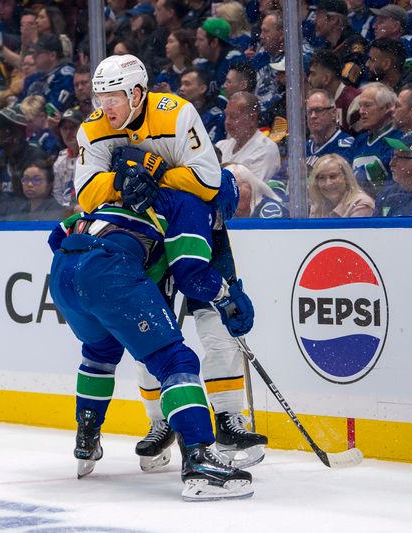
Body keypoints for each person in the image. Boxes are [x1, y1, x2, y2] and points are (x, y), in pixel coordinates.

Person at [75, 54, 267, 471]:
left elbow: (207, 179)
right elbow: (87, 194)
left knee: (216, 326)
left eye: (114, 97)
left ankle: (230, 418)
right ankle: (160, 421)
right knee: (154, 333)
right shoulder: (92, 128)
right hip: (143, 237)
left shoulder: (177, 114)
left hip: (196, 227)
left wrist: (152, 174)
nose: (105, 107)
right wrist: (125, 181)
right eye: (100, 96)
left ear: (137, 93)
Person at [48, 171, 255, 501]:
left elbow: (56, 235)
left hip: (64, 270)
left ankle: (86, 438)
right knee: (177, 360)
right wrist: (228, 295)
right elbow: (191, 273)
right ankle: (201, 460)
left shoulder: (127, 191)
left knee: (100, 351)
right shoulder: (193, 204)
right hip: (108, 268)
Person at [216, 92, 280, 185]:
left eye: (233, 117)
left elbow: (251, 193)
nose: (227, 122)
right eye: (226, 116)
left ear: (252, 118)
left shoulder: (266, 149)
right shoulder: (221, 146)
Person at [350, 82, 402, 195]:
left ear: (388, 108)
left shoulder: (398, 139)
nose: (361, 111)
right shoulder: (360, 140)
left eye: (367, 105)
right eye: (360, 106)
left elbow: (377, 175)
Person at [309, 154, 374, 217]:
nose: (328, 183)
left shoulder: (361, 204)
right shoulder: (317, 206)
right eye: (322, 178)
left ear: (346, 177)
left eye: (333, 176)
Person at [305, 89, 354, 169]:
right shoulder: (304, 148)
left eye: (319, 110)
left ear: (334, 113)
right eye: (309, 111)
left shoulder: (346, 146)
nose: (313, 116)